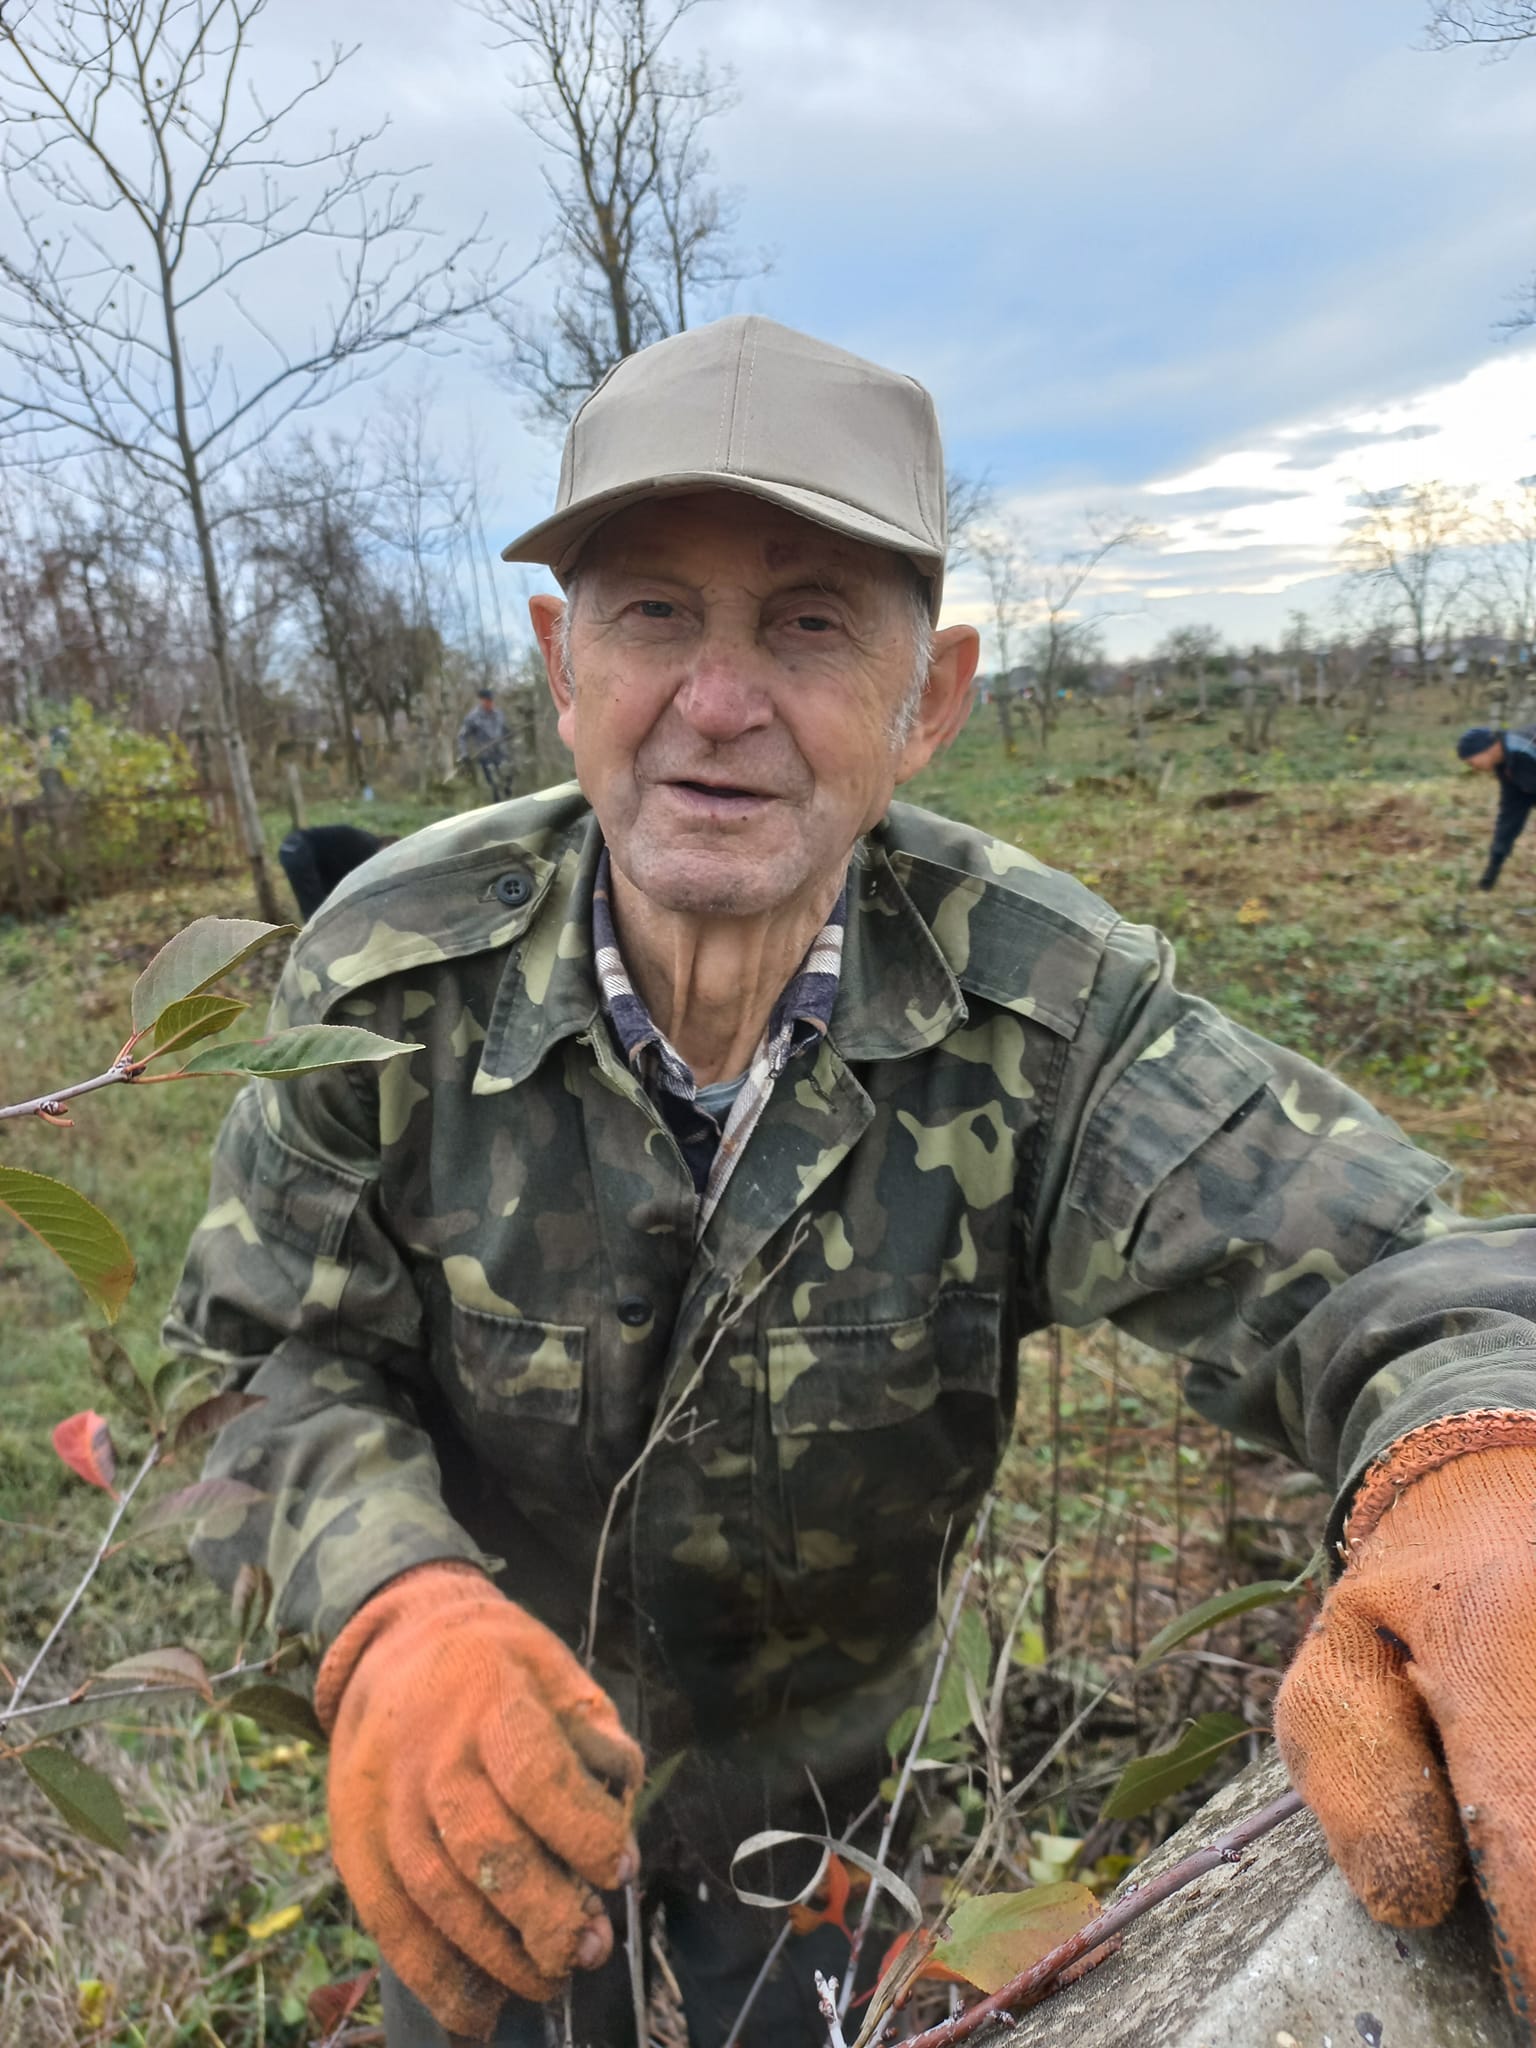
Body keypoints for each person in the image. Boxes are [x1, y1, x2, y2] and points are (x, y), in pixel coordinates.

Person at [166, 317, 1536, 2048]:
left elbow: (1405, 1272)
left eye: (809, 623)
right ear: (559, 662)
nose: (718, 702)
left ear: (929, 699)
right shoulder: (386, 974)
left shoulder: (1042, 1012)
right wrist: (384, 1604)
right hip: (471, 1777)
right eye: (652, 611)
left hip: (828, 1818)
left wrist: (1480, 1460)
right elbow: (242, 1363)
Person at [1457, 722, 1536, 889]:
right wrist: (1494, 867)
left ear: (1484, 749)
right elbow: (1510, 814)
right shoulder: (1506, 766)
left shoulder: (1523, 750)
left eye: (1471, 762)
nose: (1473, 768)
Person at [277, 823, 396, 921]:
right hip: (298, 847)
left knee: (316, 908)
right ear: (385, 844)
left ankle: (317, 939)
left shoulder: (362, 847)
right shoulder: (368, 847)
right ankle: (317, 943)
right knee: (315, 911)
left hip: (290, 849)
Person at [458, 686, 513, 801]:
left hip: (501, 753)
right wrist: (464, 753)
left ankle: (508, 794)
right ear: (482, 701)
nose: (490, 703)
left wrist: (510, 734)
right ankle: (497, 803)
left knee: (508, 775)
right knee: (494, 784)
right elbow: (462, 736)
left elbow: (505, 730)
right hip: (486, 757)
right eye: (487, 701)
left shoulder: (499, 714)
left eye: (491, 701)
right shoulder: (473, 718)